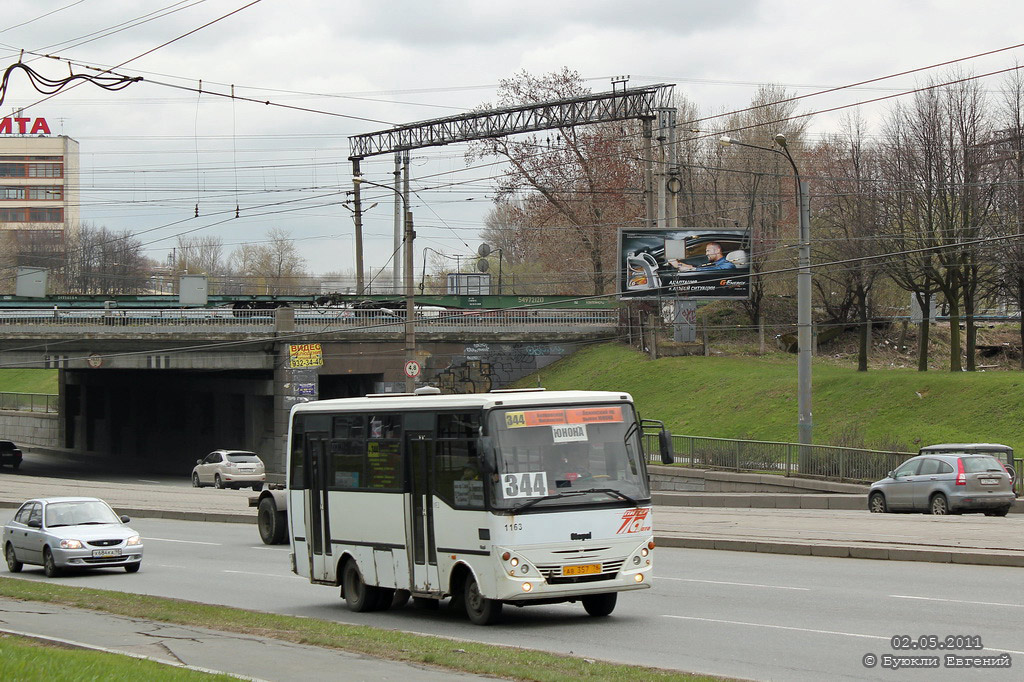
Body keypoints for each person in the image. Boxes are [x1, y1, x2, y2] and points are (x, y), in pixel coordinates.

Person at [670, 241, 736, 272]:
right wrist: (678, 264)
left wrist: (694, 269)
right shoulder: (715, 263)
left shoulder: (727, 264)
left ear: (717, 250)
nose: (706, 254)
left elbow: (714, 270)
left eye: (708, 251)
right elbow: (691, 267)